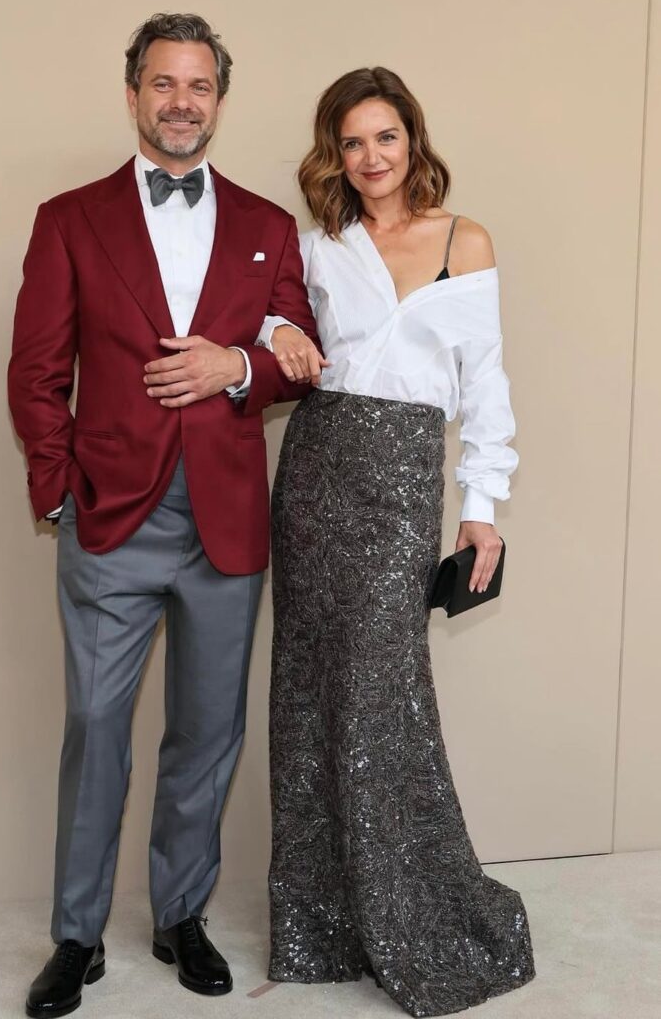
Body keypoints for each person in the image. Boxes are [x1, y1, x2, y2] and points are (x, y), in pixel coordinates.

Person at [8, 13, 322, 1018]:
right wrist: (57, 489)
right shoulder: (69, 218)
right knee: (96, 727)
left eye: (198, 85)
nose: (181, 102)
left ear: (218, 99)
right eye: (163, 83)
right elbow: (36, 370)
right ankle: (76, 934)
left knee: (206, 730)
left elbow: (298, 355)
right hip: (108, 517)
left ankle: (180, 914)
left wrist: (238, 367)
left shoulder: (268, 226)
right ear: (134, 92)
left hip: (226, 521)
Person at [265, 68, 536, 1016]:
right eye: (351, 142)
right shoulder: (317, 246)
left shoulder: (465, 240)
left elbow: (484, 383)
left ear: (412, 140)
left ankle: (415, 917)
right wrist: (275, 325)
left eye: (385, 136)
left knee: (381, 698)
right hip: (316, 469)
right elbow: (269, 322)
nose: (370, 157)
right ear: (333, 155)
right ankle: (321, 924)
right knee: (309, 690)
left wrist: (480, 505)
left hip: (402, 479)